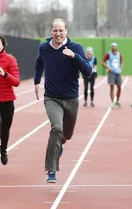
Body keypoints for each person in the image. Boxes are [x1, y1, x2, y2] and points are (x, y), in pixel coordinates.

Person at [34, 18, 92, 183]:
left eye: (61, 30)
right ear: (51, 31)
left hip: (71, 99)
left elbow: (87, 71)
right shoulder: (44, 47)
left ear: (66, 31)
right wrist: (37, 81)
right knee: (56, 128)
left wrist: (75, 57)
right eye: (55, 30)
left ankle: (59, 146)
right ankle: (51, 170)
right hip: (52, 97)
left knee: (66, 135)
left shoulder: (76, 48)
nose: (58, 34)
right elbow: (39, 62)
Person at [0, 34, 20, 165]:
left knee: (5, 127)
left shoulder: (10, 60)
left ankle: (3, 150)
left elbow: (16, 82)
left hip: (7, 100)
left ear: (3, 45)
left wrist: (5, 74)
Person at [102, 42, 123, 108]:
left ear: (116, 47)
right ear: (111, 47)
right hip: (111, 73)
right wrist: (108, 68)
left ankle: (117, 101)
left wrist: (121, 69)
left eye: (114, 46)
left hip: (118, 73)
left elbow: (122, 62)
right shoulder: (108, 54)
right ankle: (113, 102)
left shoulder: (119, 54)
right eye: (112, 46)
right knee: (112, 88)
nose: (113, 47)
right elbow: (102, 62)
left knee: (119, 87)